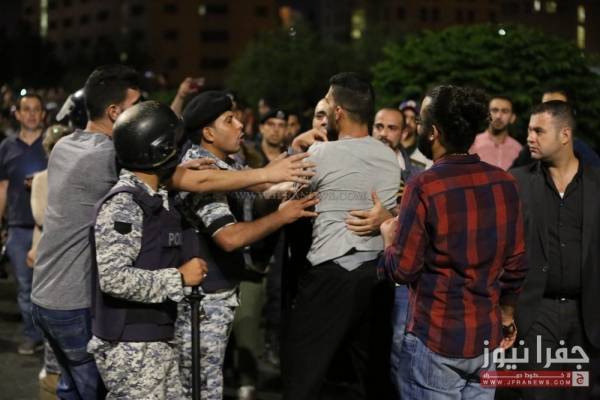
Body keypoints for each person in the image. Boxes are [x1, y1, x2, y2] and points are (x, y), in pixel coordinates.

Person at [32, 64, 310, 400]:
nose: (144, 113)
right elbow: (198, 181)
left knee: (71, 389)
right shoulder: (108, 156)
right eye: (138, 105)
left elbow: (166, 165)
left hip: (46, 292)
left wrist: (172, 166)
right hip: (77, 300)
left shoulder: (68, 145)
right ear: (116, 112)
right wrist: (266, 174)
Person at [379, 85, 527, 400]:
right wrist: (507, 313)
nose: (416, 127)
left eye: (421, 121)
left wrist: (388, 240)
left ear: (433, 132)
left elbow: (403, 270)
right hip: (486, 340)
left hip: (437, 340)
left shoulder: (424, 185)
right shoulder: (505, 183)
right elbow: (516, 264)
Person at [175, 90, 318, 399]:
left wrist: (296, 154)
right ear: (208, 133)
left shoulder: (223, 163)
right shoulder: (201, 169)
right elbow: (230, 237)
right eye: (230, 120)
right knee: (201, 389)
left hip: (216, 295)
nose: (240, 124)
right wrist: (282, 216)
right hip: (203, 302)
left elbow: (262, 183)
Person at [283, 72, 401, 400]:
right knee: (369, 380)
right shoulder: (389, 157)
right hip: (377, 275)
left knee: (303, 375)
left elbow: (289, 197)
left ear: (338, 112)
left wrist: (296, 149)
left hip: (331, 276)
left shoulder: (321, 154)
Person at [87, 101, 208, 399]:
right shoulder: (124, 205)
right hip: (132, 346)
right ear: (160, 150)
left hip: (155, 338)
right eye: (175, 145)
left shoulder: (155, 197)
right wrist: (179, 278)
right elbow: (114, 278)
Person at [510, 101, 600, 400]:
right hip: (535, 314)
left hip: (588, 317)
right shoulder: (517, 182)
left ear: (565, 135)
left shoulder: (597, 184)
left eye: (538, 131)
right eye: (529, 130)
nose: (529, 138)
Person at [0, 93, 47, 355]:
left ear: (43, 114)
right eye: (26, 109)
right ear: (17, 114)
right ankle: (32, 335)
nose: (31, 114)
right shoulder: (6, 147)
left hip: (49, 228)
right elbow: (2, 187)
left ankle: (51, 339)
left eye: (36, 109)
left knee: (49, 285)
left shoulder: (52, 144)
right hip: (18, 227)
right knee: (25, 287)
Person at [469, 96, 522, 170]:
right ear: (487, 115)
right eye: (494, 110)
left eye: (505, 111)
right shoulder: (472, 144)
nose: (498, 116)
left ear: (512, 118)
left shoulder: (518, 149)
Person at [399, 99, 433, 169]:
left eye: (413, 118)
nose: (407, 122)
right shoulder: (388, 149)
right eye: (404, 117)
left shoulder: (425, 154)